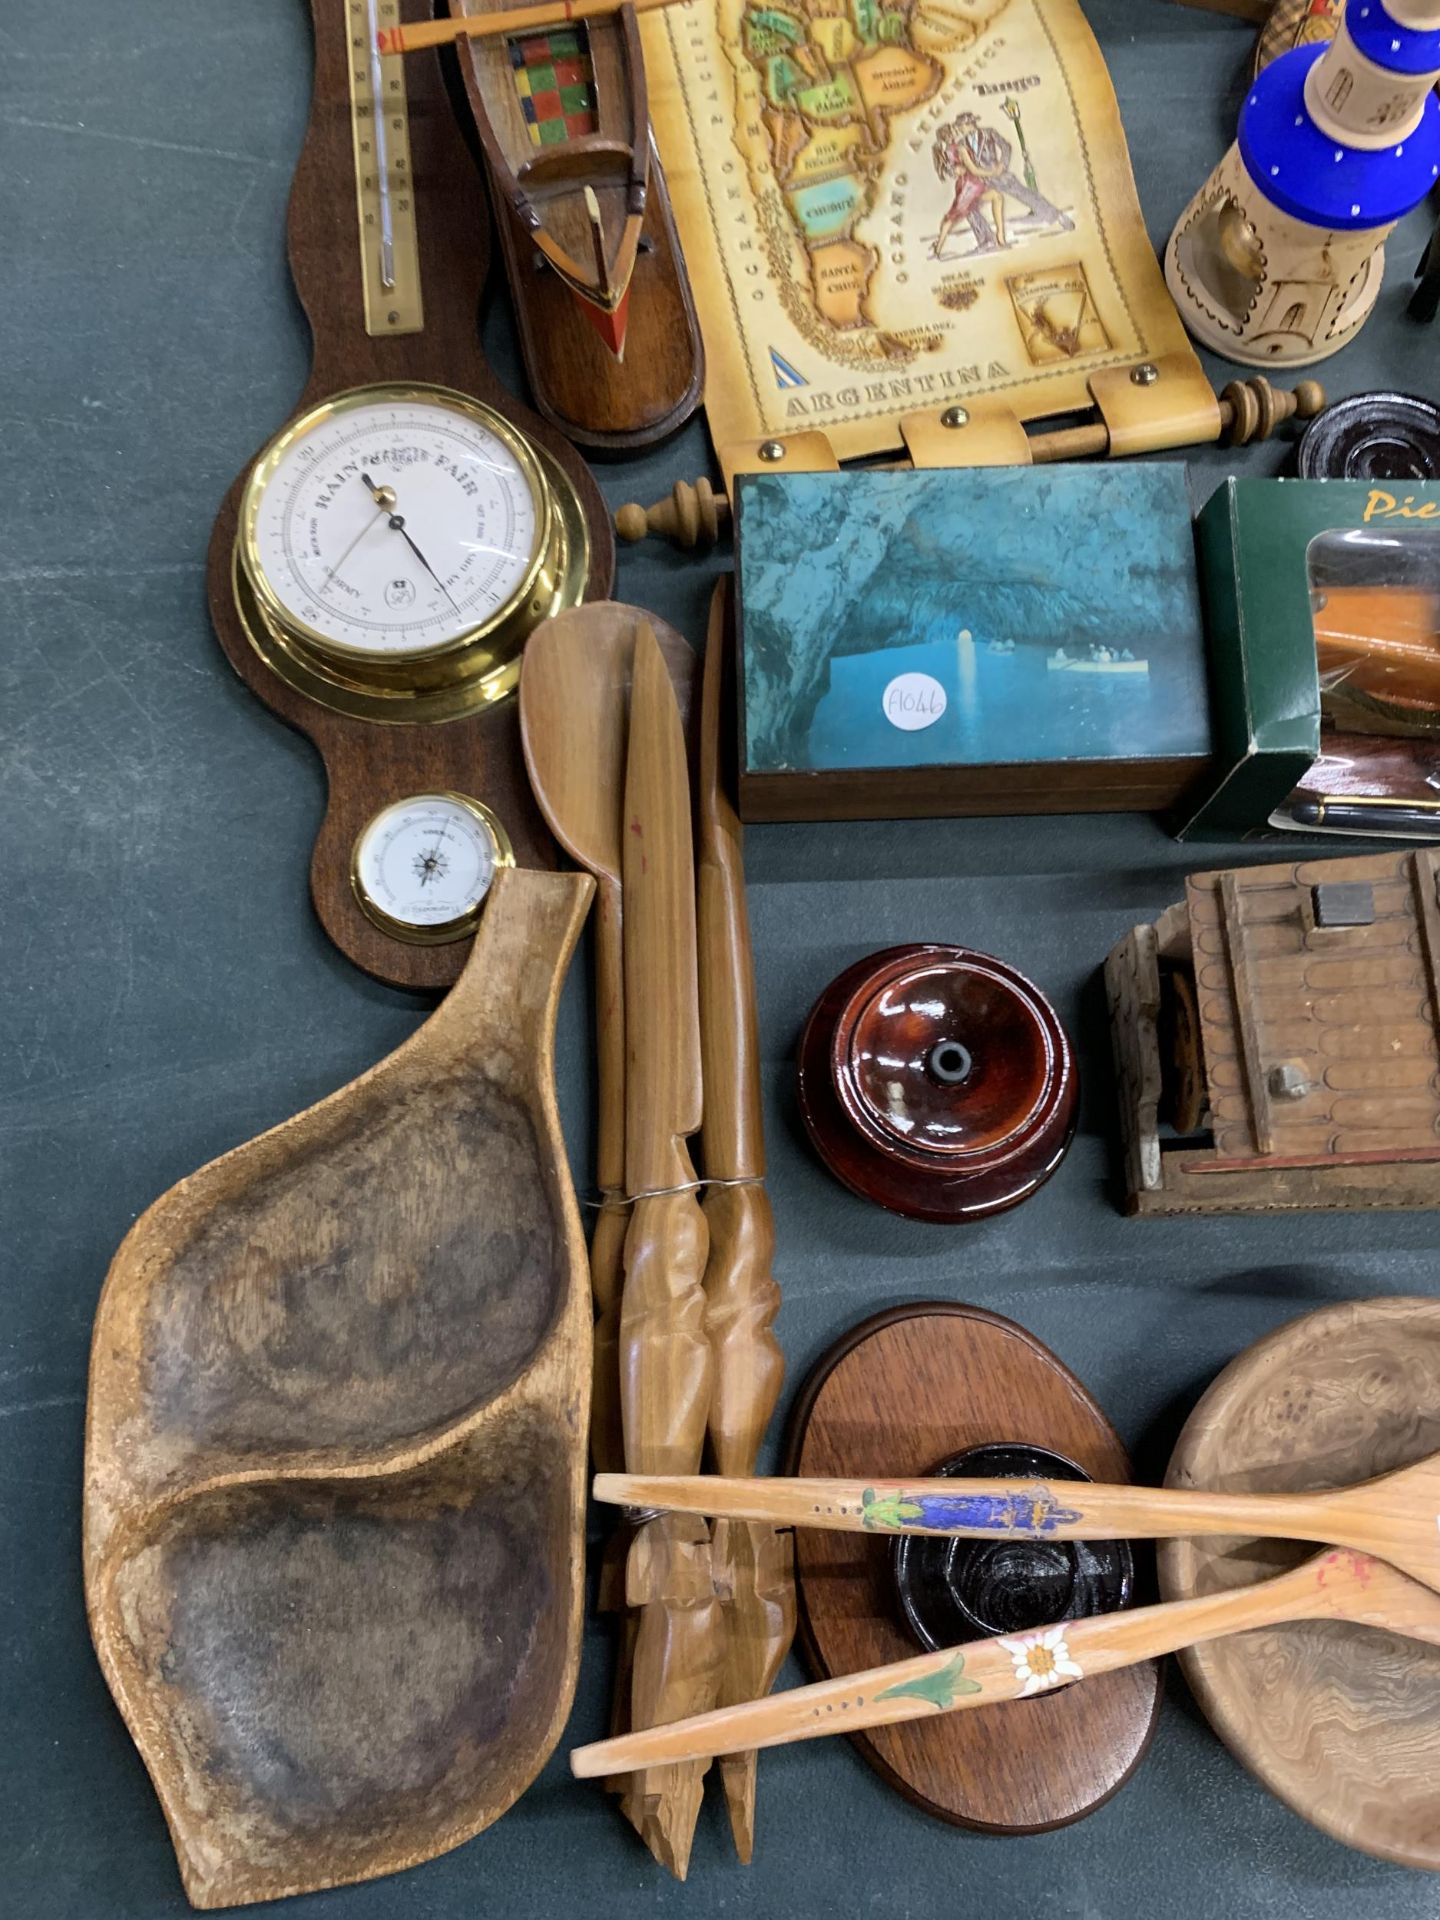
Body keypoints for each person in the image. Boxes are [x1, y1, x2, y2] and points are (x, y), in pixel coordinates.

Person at [946, 111, 1074, 248]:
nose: (960, 129)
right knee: (968, 205)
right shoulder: (961, 143)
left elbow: (1006, 146)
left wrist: (1002, 164)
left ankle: (1058, 217)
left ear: (969, 124)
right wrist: (955, 169)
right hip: (979, 180)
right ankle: (986, 240)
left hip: (998, 174)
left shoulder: (989, 132)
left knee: (1024, 193)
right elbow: (955, 164)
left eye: (961, 126)